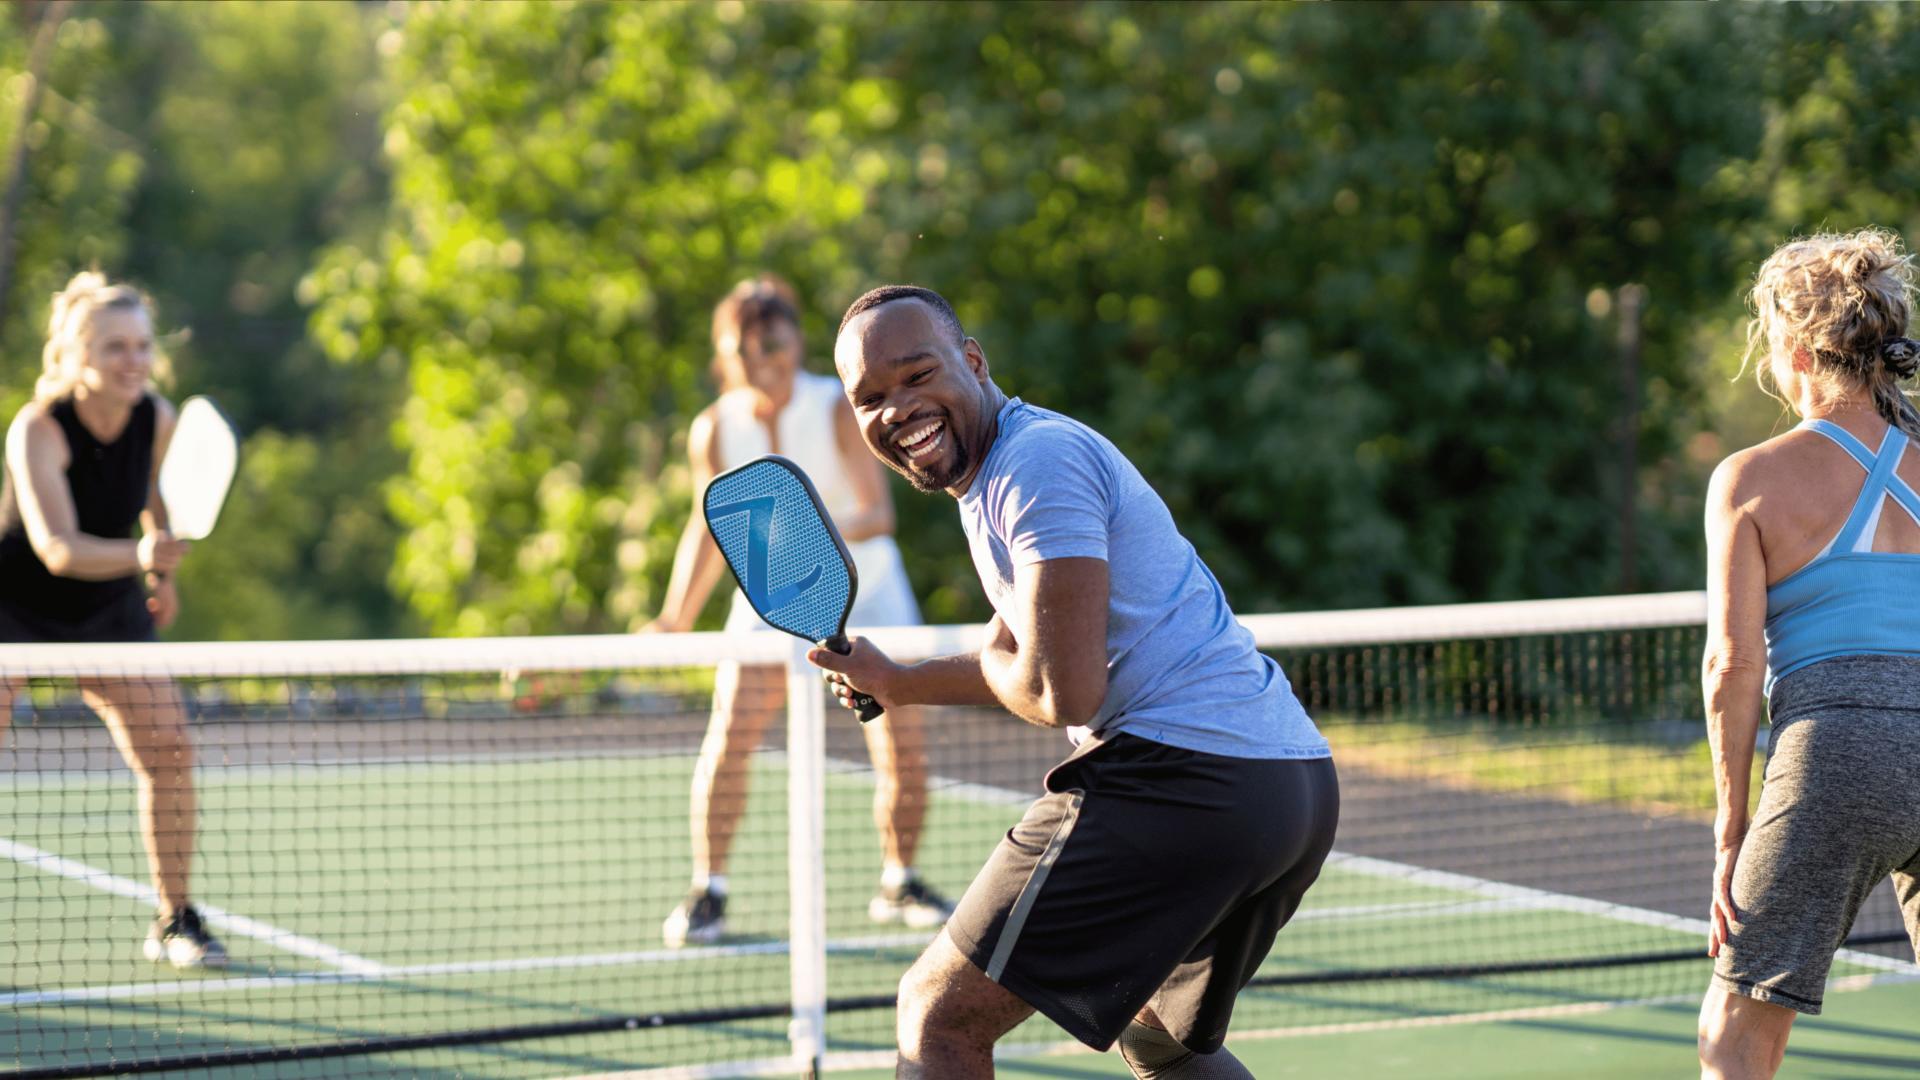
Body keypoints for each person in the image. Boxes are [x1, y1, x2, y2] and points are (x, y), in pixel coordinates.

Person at [812, 285, 1339, 1079]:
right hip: (1287, 786)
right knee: (1158, 1036)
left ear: (975, 361)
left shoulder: (1035, 465)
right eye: (871, 398)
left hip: (1184, 779)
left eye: (918, 375)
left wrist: (996, 666)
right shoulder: (998, 473)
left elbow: (1065, 692)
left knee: (936, 1014)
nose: (898, 409)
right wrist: (898, 681)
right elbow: (1017, 649)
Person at [646, 275, 952, 947]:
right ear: (727, 354)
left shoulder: (837, 406)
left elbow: (877, 513)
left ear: (795, 341)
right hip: (767, 604)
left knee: (901, 742)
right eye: (745, 347)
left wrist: (807, 545)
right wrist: (674, 617)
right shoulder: (713, 428)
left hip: (868, 592)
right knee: (729, 738)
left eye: (774, 342)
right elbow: (708, 529)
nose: (763, 358)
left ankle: (899, 879)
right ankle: (710, 891)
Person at [1697, 228, 1920, 1079]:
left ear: (1792, 346)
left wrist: (1731, 825)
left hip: (1839, 754)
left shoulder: (1751, 477)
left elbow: (1732, 664)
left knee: (1738, 1028)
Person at [0, 271, 225, 969]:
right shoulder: (38, 427)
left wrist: (161, 573)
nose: (132, 361)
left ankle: (175, 919)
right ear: (74, 357)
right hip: (15, 609)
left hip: (111, 609)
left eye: (142, 346)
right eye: (114, 348)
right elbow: (58, 548)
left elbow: (157, 491)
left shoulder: (156, 415)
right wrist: (142, 552)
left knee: (170, 752)